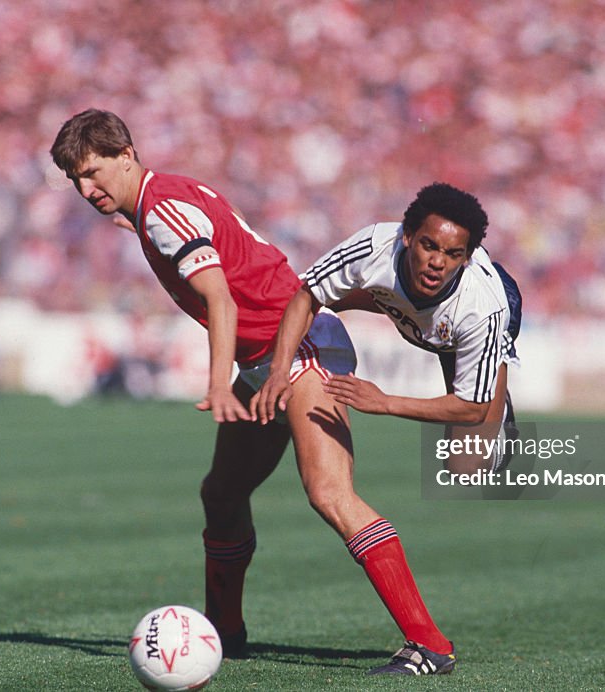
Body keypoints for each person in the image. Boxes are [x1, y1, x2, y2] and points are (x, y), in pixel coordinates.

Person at [50, 109, 455, 676]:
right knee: (222, 493)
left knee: (330, 494)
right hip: (273, 357)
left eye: (92, 172)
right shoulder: (159, 201)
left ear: (126, 155)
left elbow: (220, 297)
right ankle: (223, 635)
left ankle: (429, 644)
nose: (85, 188)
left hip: (301, 350)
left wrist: (218, 384)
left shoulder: (162, 210)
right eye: (75, 180)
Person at [253, 182, 521, 489]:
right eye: (429, 245)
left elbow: (471, 409)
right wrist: (279, 370)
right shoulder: (373, 246)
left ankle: (493, 377)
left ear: (467, 258)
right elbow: (307, 293)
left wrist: (384, 402)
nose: (437, 262)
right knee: (295, 298)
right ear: (407, 236)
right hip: (411, 310)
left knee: (467, 467)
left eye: (452, 254)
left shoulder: (483, 310)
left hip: (460, 332)